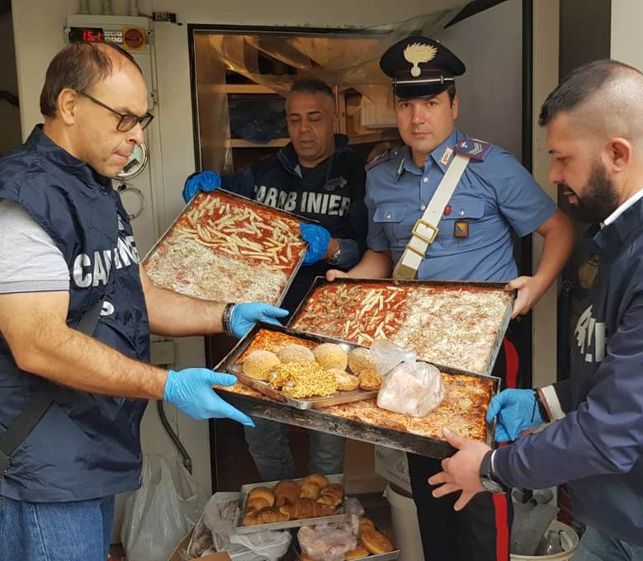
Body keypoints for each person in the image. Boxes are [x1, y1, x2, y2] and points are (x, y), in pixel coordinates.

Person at [429, 60, 643, 561]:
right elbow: (628, 367)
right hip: (634, 509)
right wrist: (547, 401)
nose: (552, 175)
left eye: (562, 159)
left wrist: (492, 467)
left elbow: (610, 433)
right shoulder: (637, 231)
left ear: (617, 153)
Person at [0, 42, 287, 561]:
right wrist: (168, 384)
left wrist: (225, 314)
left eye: (142, 119)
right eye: (124, 118)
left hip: (88, 444)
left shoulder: (96, 186)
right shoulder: (24, 199)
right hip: (42, 463)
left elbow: (135, 293)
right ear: (69, 106)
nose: (137, 135)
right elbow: (37, 344)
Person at [327, 35, 575, 561]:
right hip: (415, 356)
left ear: (453, 106)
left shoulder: (492, 167)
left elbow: (559, 229)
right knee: (430, 478)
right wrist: (350, 280)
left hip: (484, 352)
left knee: (484, 479)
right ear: (395, 107)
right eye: (407, 103)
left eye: (432, 102)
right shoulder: (379, 177)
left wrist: (537, 283)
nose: (419, 117)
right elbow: (382, 258)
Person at [182, 78, 367, 480]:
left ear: (333, 117)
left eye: (314, 118)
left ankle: (323, 515)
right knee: (261, 428)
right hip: (263, 321)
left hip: (328, 323)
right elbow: (227, 205)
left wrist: (334, 248)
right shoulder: (266, 171)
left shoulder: (360, 173)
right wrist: (210, 190)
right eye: (295, 119)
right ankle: (281, 500)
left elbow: (375, 250)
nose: (303, 129)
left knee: (326, 430)